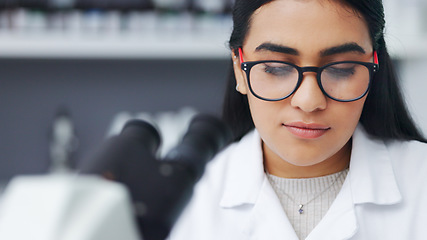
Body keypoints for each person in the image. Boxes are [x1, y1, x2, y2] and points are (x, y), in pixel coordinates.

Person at [168, 0, 427, 239]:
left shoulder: (420, 180)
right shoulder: (191, 191)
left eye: (341, 69)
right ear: (239, 67)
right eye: (277, 68)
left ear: (374, 66)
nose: (309, 101)